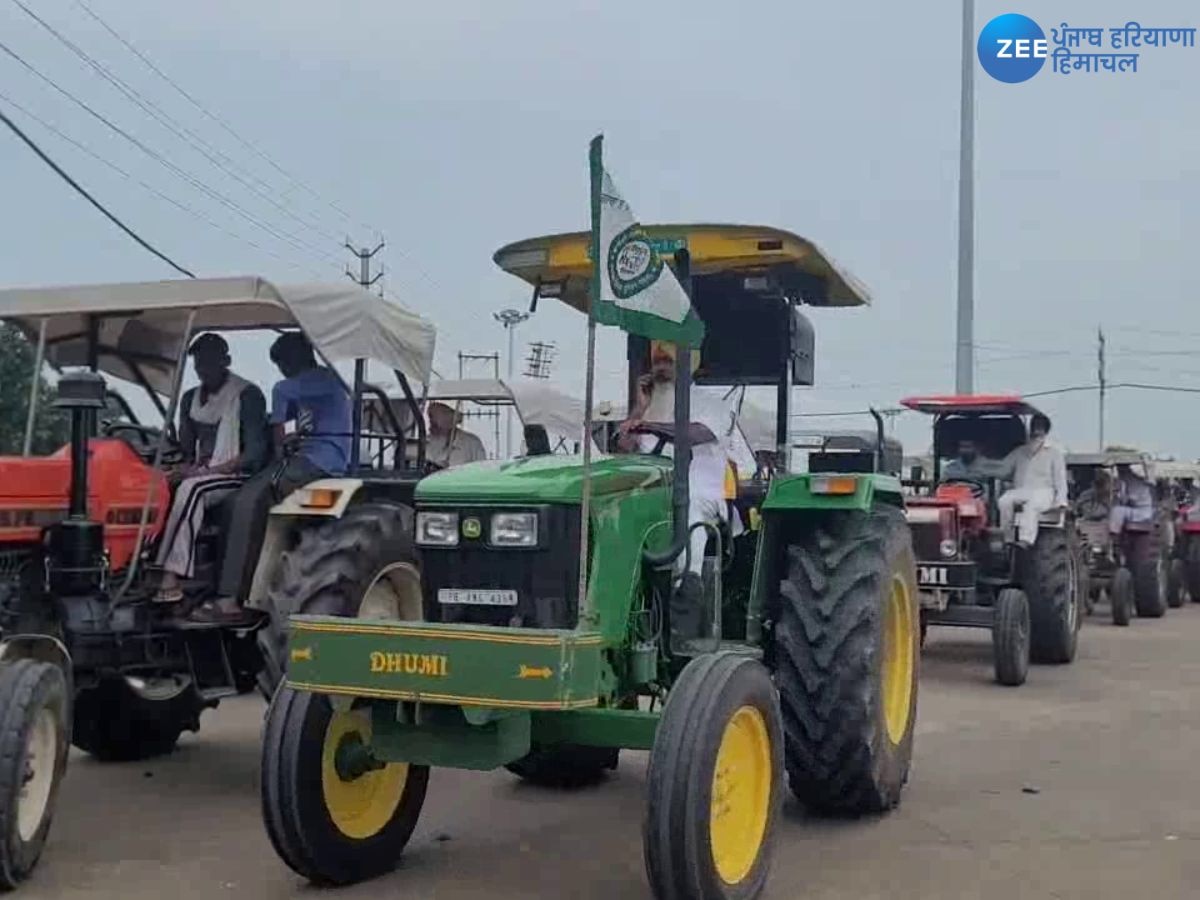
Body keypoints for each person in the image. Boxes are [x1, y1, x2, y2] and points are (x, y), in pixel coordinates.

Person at [191, 332, 351, 624]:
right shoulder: (333, 380)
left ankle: (231, 597)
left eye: (281, 365)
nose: (281, 371)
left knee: (245, 501)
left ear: (290, 361)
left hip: (312, 462)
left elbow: (279, 438)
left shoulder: (285, 388)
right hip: (333, 459)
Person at [621, 343, 741, 643]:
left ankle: (688, 592)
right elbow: (623, 446)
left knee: (688, 518)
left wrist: (646, 425)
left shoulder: (714, 404)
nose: (661, 366)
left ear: (689, 365)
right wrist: (640, 407)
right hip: (653, 492)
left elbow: (697, 433)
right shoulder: (648, 407)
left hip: (701, 492)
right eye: (658, 361)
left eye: (668, 361)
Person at [154, 334, 268, 605]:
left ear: (225, 361)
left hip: (235, 474)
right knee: (153, 486)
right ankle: (137, 564)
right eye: (198, 362)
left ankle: (172, 575)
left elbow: (254, 454)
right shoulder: (190, 398)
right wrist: (176, 468)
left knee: (192, 490)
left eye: (209, 361)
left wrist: (208, 471)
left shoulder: (247, 395)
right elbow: (185, 447)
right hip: (201, 469)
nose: (202, 368)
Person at [996, 413, 1068, 548]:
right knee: (1004, 501)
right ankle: (1008, 538)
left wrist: (1061, 502)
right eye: (1034, 427)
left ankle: (1026, 540)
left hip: (1044, 492)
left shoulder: (1054, 452)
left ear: (1046, 431)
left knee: (1032, 505)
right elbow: (1002, 469)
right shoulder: (1021, 451)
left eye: (1040, 428)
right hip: (1022, 490)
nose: (1037, 431)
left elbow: (1060, 479)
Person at [425, 402, 487, 467]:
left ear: (451, 420)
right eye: (430, 419)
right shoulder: (425, 443)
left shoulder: (472, 444)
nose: (431, 424)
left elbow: (482, 471)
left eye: (435, 423)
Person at [1110, 462, 1154, 537]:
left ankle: (1113, 533)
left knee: (1117, 510)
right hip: (1135, 509)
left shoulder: (1135, 482)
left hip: (1141, 512)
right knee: (1114, 509)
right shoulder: (1126, 482)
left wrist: (1120, 498)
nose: (1119, 474)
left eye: (1121, 471)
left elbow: (1132, 499)